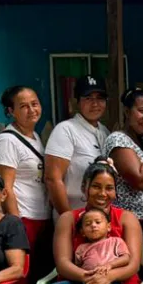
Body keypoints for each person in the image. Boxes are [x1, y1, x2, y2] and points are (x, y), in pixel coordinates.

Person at [0, 86, 52, 284]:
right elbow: (6, 187)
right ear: (11, 111)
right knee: (21, 280)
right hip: (23, 218)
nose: (31, 110)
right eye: (23, 106)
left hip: (41, 216)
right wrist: (16, 224)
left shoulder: (35, 136)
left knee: (37, 276)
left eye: (34, 104)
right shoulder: (7, 141)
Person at [103, 87, 143, 251]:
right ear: (127, 112)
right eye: (142, 111)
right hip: (128, 224)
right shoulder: (118, 139)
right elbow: (140, 180)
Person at [46, 75, 110, 215]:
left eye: (100, 98)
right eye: (88, 98)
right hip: (74, 215)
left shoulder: (104, 132)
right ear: (76, 102)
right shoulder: (65, 130)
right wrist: (69, 220)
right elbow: (52, 179)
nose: (95, 104)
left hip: (100, 221)